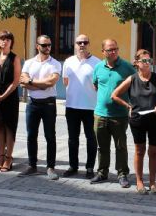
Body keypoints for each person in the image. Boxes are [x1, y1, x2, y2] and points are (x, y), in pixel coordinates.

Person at [111, 49, 156, 194]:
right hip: (137, 120)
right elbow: (114, 95)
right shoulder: (132, 79)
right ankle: (139, 181)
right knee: (139, 150)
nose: (147, 63)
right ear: (136, 63)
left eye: (149, 60)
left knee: (154, 151)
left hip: (155, 119)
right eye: (144, 61)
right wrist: (128, 106)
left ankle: (153, 183)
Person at [90, 39, 136, 187]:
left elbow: (136, 85)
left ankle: (122, 174)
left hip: (120, 115)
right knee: (102, 146)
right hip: (100, 114)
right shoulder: (98, 67)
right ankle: (102, 172)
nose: (114, 51)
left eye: (116, 48)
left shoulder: (127, 67)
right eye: (110, 49)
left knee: (120, 146)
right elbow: (96, 85)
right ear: (103, 52)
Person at [18, 35, 62, 179]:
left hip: (49, 103)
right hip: (33, 103)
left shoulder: (55, 64)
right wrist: (40, 85)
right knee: (31, 135)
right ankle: (32, 165)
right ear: (37, 46)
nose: (47, 47)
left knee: (50, 136)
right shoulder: (29, 63)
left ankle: (50, 167)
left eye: (49, 45)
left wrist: (31, 82)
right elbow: (22, 83)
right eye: (44, 45)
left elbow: (50, 83)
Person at [62, 34, 100, 178]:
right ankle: (73, 166)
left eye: (85, 42)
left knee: (91, 139)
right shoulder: (68, 61)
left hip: (91, 107)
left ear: (89, 44)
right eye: (79, 42)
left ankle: (90, 168)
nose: (82, 45)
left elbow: (99, 85)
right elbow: (65, 81)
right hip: (72, 106)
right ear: (75, 44)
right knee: (73, 138)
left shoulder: (97, 63)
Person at [0, 30, 21, 172]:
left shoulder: (15, 58)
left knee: (9, 128)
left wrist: (3, 96)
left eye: (7, 39)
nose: (4, 42)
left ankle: (8, 158)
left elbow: (16, 81)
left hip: (9, 98)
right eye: (2, 39)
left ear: (11, 42)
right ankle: (0, 156)